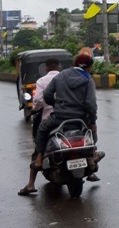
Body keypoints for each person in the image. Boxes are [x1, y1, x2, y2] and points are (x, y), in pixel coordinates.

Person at [23, 54, 104, 195]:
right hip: (80, 119)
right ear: (88, 67)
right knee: (91, 131)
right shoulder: (87, 79)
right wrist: (92, 121)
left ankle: (39, 158)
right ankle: (93, 154)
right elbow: (91, 104)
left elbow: (47, 95)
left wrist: (57, 104)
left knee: (42, 130)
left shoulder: (61, 76)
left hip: (59, 118)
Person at [18, 58, 62, 196]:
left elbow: (38, 101)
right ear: (59, 67)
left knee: (39, 140)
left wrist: (35, 109)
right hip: (71, 116)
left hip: (50, 117)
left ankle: (31, 182)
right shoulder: (66, 78)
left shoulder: (42, 81)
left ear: (46, 68)